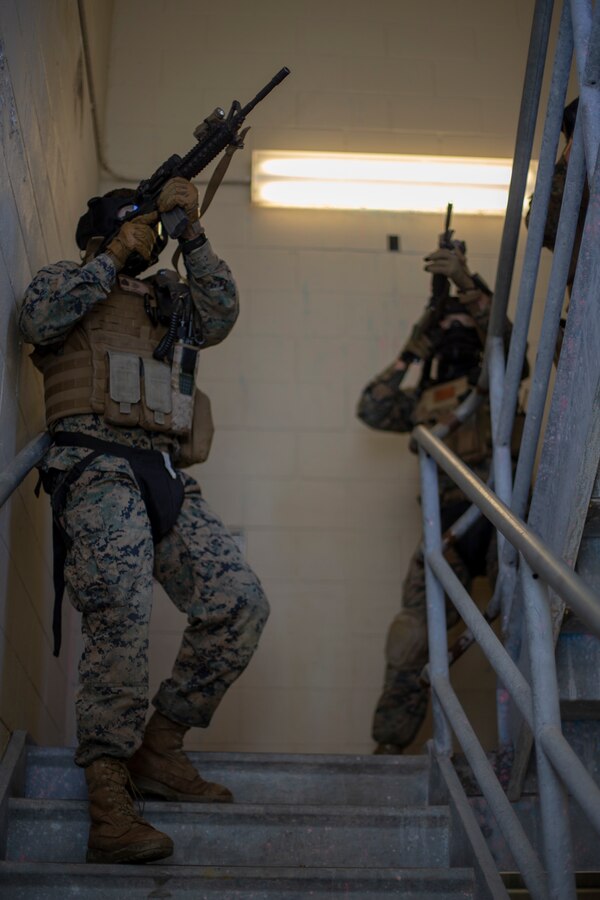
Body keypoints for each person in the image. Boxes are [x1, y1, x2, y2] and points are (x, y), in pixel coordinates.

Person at [19, 177, 270, 864]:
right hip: (94, 464)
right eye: (138, 228)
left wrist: (193, 233)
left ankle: (160, 747)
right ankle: (108, 801)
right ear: (106, 233)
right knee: (122, 610)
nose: (145, 241)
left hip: (162, 473)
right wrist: (108, 260)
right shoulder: (67, 279)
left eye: (149, 232)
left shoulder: (168, 297)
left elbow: (221, 314)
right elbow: (37, 323)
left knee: (239, 602)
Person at [357, 238, 510, 754]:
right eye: (449, 326)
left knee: (529, 632)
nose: (458, 331)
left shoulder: (497, 383)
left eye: (468, 322)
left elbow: (509, 348)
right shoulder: (424, 399)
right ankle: (387, 750)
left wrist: (466, 284)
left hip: (504, 527)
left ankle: (535, 752)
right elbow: (372, 407)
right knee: (410, 640)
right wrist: (412, 350)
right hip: (445, 533)